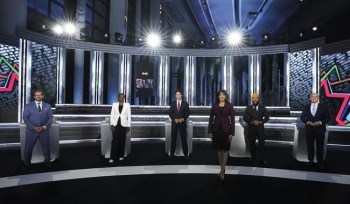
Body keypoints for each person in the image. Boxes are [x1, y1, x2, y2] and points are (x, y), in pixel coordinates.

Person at [22, 89, 53, 169]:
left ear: (42, 96)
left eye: (40, 95)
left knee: (46, 147)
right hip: (31, 131)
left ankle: (47, 161)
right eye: (36, 95)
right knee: (28, 148)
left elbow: (50, 118)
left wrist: (44, 127)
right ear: (34, 96)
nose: (38, 96)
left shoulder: (47, 106)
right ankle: (27, 163)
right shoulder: (28, 106)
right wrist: (33, 127)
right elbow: (25, 118)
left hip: (44, 130)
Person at [208, 89, 235, 181]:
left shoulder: (230, 106)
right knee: (219, 150)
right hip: (216, 130)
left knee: (225, 150)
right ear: (218, 96)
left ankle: (222, 171)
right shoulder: (214, 105)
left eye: (223, 95)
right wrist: (210, 131)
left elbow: (232, 120)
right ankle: (222, 169)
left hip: (226, 130)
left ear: (226, 96)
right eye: (220, 95)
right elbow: (211, 118)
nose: (221, 96)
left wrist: (232, 133)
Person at [300, 92, 330, 169]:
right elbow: (302, 117)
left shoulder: (323, 107)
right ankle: (310, 161)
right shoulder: (306, 107)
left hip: (320, 130)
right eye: (312, 97)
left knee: (320, 147)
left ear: (318, 98)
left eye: (315, 97)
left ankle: (319, 162)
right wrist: (307, 122)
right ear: (310, 98)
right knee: (310, 146)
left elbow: (327, 117)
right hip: (309, 129)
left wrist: (320, 122)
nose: (314, 98)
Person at [243, 93, 269, 166]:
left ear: (258, 99)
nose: (255, 100)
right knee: (252, 144)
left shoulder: (262, 108)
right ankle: (253, 158)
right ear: (252, 99)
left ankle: (262, 159)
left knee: (262, 144)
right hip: (251, 129)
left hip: (260, 129)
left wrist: (261, 122)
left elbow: (267, 117)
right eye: (253, 98)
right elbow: (244, 117)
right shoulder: (248, 108)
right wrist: (251, 121)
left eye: (256, 98)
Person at [109, 93, 131, 163]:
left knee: (122, 141)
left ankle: (121, 155)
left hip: (123, 125)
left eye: (123, 97)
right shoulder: (114, 105)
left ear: (124, 98)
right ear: (118, 98)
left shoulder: (127, 105)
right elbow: (112, 115)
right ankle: (112, 157)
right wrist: (112, 125)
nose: (121, 98)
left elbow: (129, 116)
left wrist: (128, 126)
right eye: (120, 97)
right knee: (114, 141)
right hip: (116, 125)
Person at [168, 89, 190, 159]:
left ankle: (186, 154)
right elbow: (170, 113)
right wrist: (174, 119)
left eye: (179, 94)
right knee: (173, 139)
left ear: (182, 95)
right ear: (175, 95)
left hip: (182, 124)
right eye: (177, 94)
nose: (178, 96)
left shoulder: (185, 103)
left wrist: (183, 119)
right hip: (174, 123)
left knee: (184, 139)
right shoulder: (173, 103)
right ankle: (172, 154)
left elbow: (187, 113)